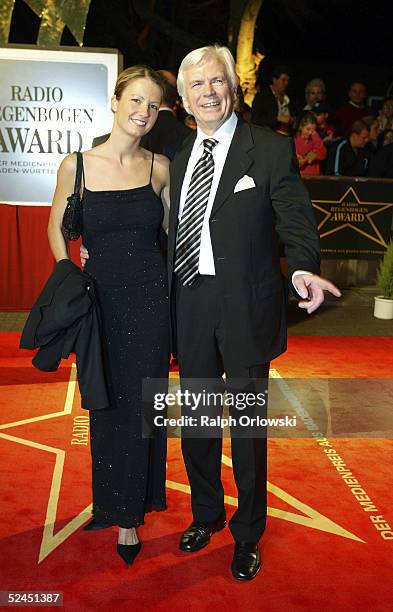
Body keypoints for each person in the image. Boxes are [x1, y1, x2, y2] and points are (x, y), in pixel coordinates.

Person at [167, 45, 340, 581]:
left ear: (234, 90)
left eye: (217, 81)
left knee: (245, 427)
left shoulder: (267, 149)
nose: (209, 92)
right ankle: (205, 515)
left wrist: (303, 268)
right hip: (190, 302)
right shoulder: (175, 157)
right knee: (197, 420)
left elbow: (294, 220)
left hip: (245, 305)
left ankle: (247, 534)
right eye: (197, 86)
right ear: (184, 98)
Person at [48, 65, 171, 567]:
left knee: (145, 407)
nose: (143, 112)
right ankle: (113, 502)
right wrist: (70, 278)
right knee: (106, 405)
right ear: (116, 100)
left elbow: (171, 236)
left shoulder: (159, 167)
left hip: (150, 301)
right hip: (100, 302)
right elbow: (56, 231)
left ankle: (130, 518)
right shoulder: (75, 164)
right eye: (135, 100)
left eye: (153, 105)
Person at [251, 64, 294, 134]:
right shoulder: (262, 97)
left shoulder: (290, 99)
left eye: (287, 80)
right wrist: (277, 118)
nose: (286, 83)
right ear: (274, 80)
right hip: (267, 137)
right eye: (283, 80)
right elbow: (255, 120)